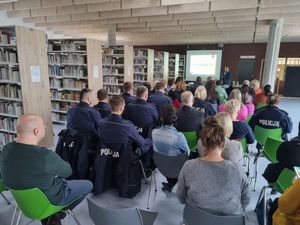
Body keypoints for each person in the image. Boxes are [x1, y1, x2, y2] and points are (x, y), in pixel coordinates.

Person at [0, 115, 93, 225]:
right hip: (49, 201)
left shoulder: (6, 149)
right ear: (37, 131)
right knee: (88, 185)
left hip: (23, 203)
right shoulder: (44, 156)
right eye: (44, 126)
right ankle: (56, 215)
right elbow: (68, 171)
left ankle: (52, 216)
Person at [177, 117, 250, 215]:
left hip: (196, 219)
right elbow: (245, 201)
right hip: (229, 221)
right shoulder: (237, 170)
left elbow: (181, 198)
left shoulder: (188, 166)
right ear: (223, 144)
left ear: (203, 143)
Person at [99, 96, 152, 160]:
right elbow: (141, 142)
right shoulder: (128, 126)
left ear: (110, 107)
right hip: (124, 159)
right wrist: (150, 141)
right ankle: (146, 168)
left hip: (105, 157)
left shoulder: (101, 123)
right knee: (148, 144)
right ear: (122, 108)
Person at [152, 105, 190, 192]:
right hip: (175, 169)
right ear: (174, 118)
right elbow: (187, 153)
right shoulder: (179, 136)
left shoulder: (154, 132)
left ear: (161, 119)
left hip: (160, 167)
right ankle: (175, 183)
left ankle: (171, 183)